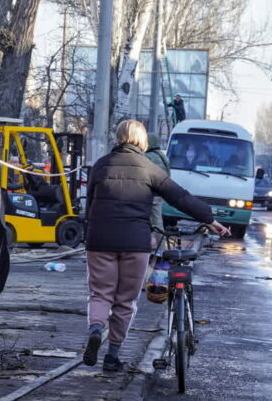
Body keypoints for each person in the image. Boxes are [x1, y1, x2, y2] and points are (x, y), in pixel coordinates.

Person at [83, 120, 229, 372]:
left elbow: (90, 206)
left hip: (100, 240)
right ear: (141, 141)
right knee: (125, 300)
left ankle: (96, 328)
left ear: (118, 138)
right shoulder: (148, 167)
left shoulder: (100, 166)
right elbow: (180, 196)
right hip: (135, 243)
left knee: (100, 293)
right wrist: (209, 219)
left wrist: (90, 232)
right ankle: (112, 356)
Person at [144, 132, 170, 238]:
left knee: (152, 222)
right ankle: (160, 247)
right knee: (157, 221)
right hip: (160, 192)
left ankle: (158, 248)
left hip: (151, 193)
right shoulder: (162, 156)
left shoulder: (148, 156)